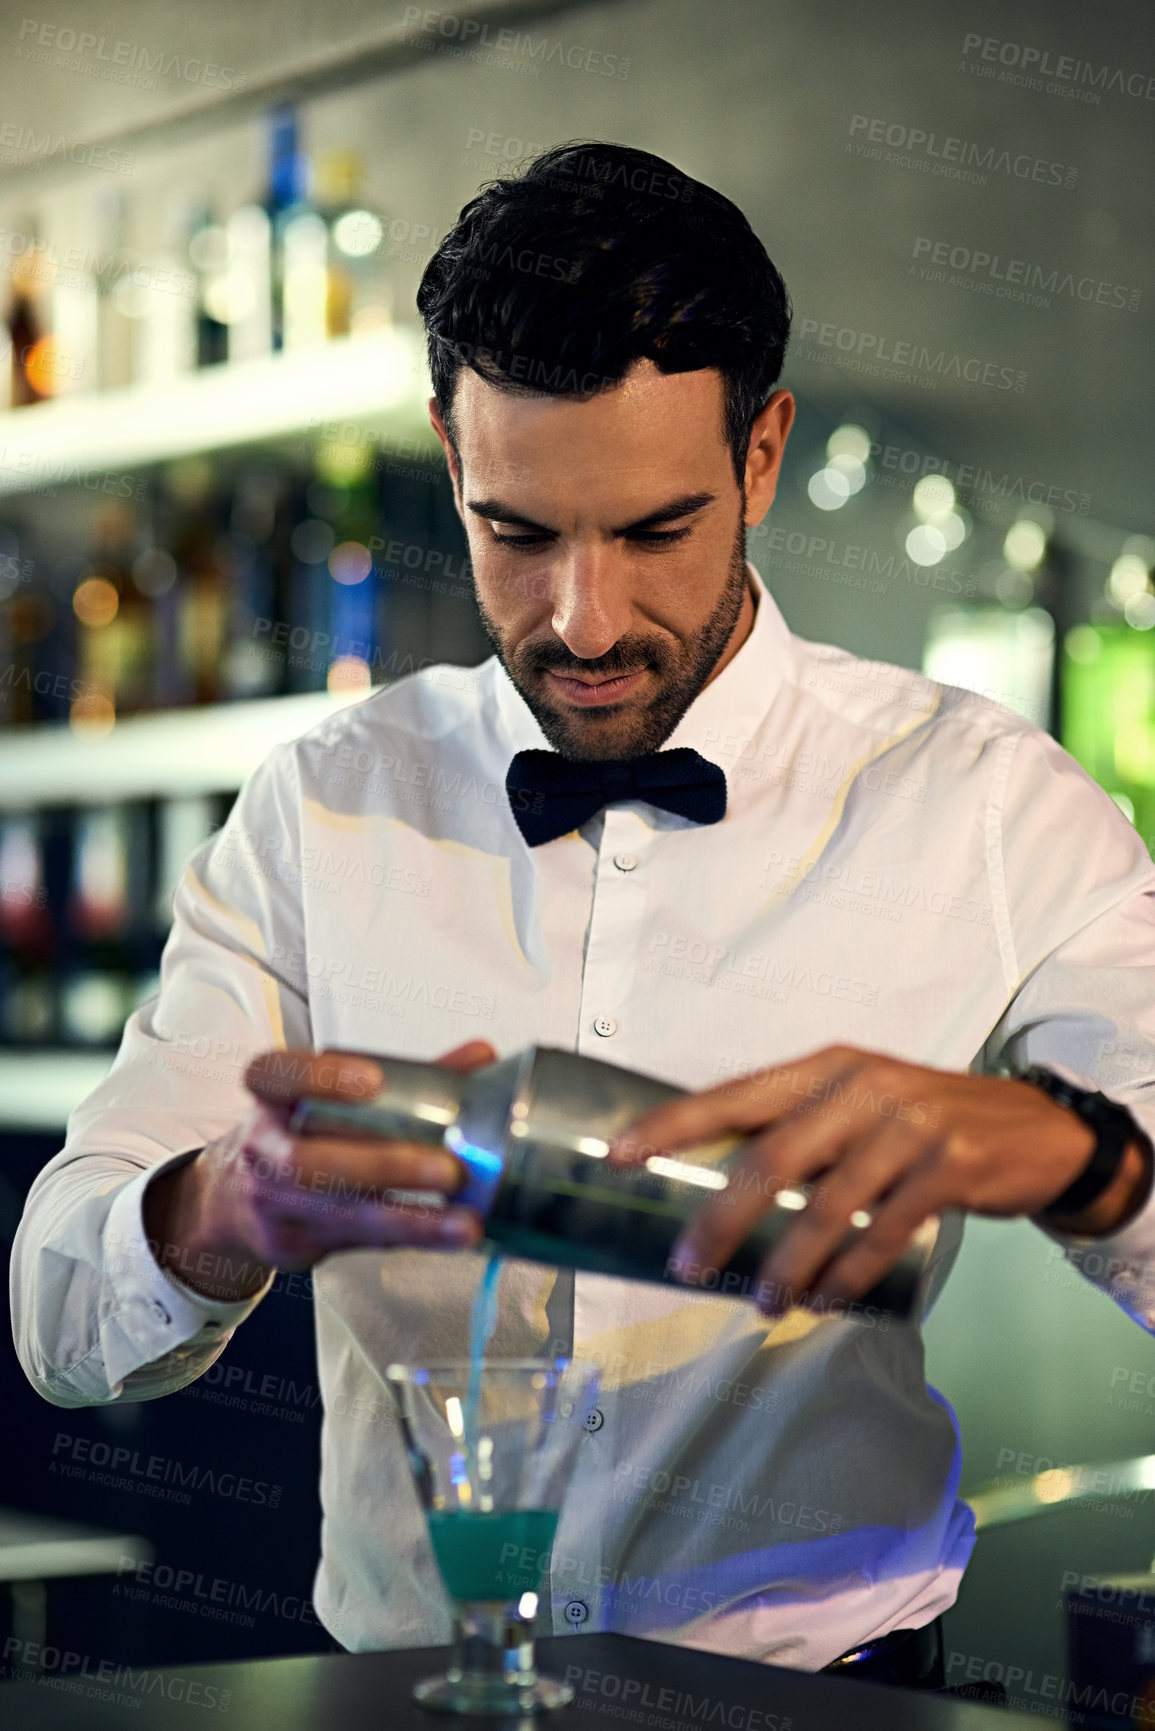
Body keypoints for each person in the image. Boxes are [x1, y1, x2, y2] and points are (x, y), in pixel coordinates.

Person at [11, 141, 1155, 1691]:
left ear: (761, 457)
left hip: (823, 1707)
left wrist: (1088, 1162)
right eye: (520, 533)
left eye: (654, 532)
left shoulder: (984, 801)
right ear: (446, 451)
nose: (587, 622)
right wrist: (216, 1211)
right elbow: (60, 1320)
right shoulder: (322, 802)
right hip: (403, 1699)